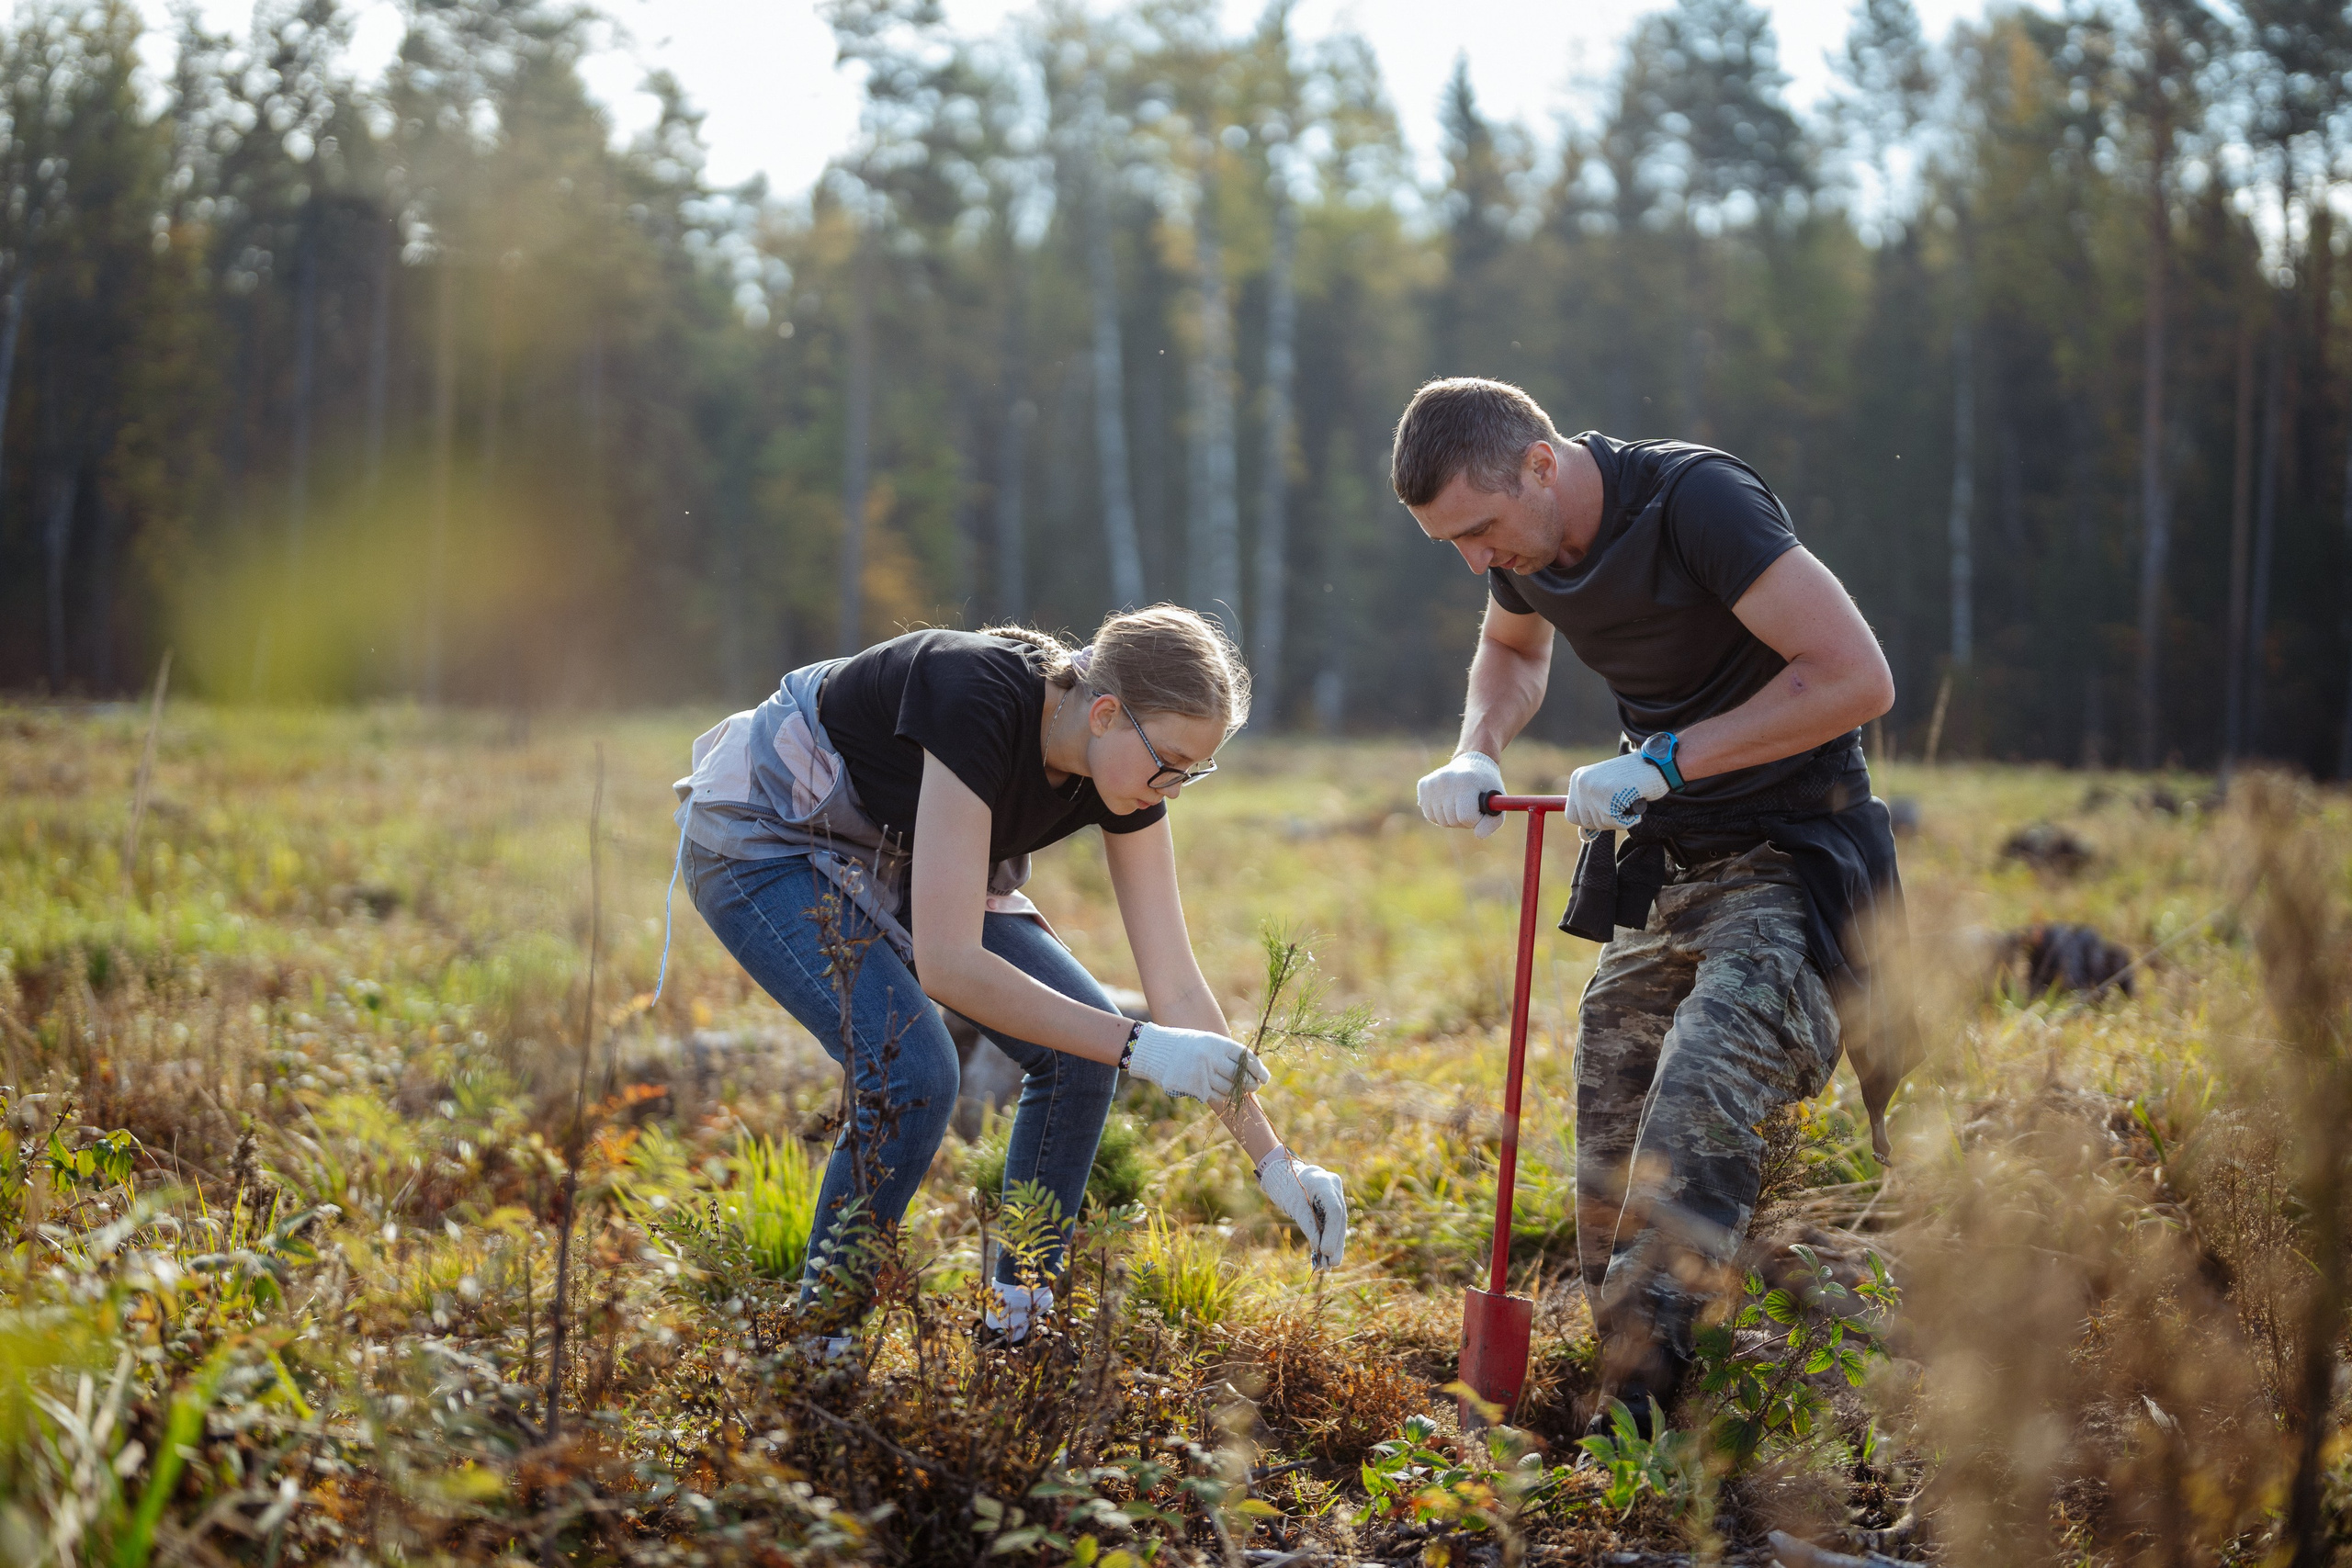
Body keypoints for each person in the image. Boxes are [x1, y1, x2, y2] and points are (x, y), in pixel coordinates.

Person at [1393, 378, 1906, 1435]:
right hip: (1670, 865)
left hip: (1792, 858)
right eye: (1452, 545)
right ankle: (1627, 1380)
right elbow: (1511, 648)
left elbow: (1856, 677)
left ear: (1540, 464)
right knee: (1612, 1126)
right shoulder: (1525, 546)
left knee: (1698, 1094)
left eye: (1479, 531)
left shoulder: (1694, 504)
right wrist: (1476, 747)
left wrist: (1667, 759)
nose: (1478, 564)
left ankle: (1639, 1418)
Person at [672, 606, 1347, 1344]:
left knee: (1080, 1056)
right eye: (1171, 762)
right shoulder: (975, 696)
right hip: (769, 839)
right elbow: (950, 964)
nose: (1175, 788)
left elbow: (1177, 985)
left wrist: (1275, 1163)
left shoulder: (1122, 772)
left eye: (1193, 771)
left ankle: (1015, 1328)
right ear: (1105, 712)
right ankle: (820, 1346)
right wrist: (1140, 1046)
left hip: (900, 856)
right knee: (913, 1070)